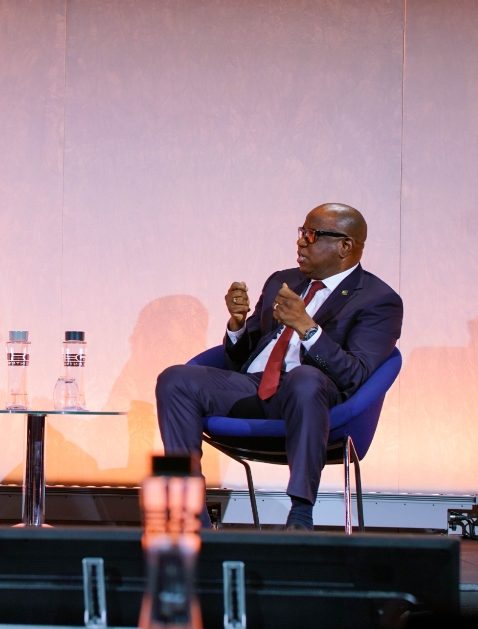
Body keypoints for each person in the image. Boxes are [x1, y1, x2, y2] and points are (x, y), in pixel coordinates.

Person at [155, 203, 402, 531]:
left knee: (305, 379)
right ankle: (190, 515)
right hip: (253, 386)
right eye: (302, 232)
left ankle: (300, 515)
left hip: (313, 400)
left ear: (345, 245)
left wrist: (307, 328)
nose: (301, 242)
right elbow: (240, 359)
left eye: (312, 235)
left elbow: (355, 375)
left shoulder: (378, 299)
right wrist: (237, 325)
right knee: (174, 379)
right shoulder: (282, 281)